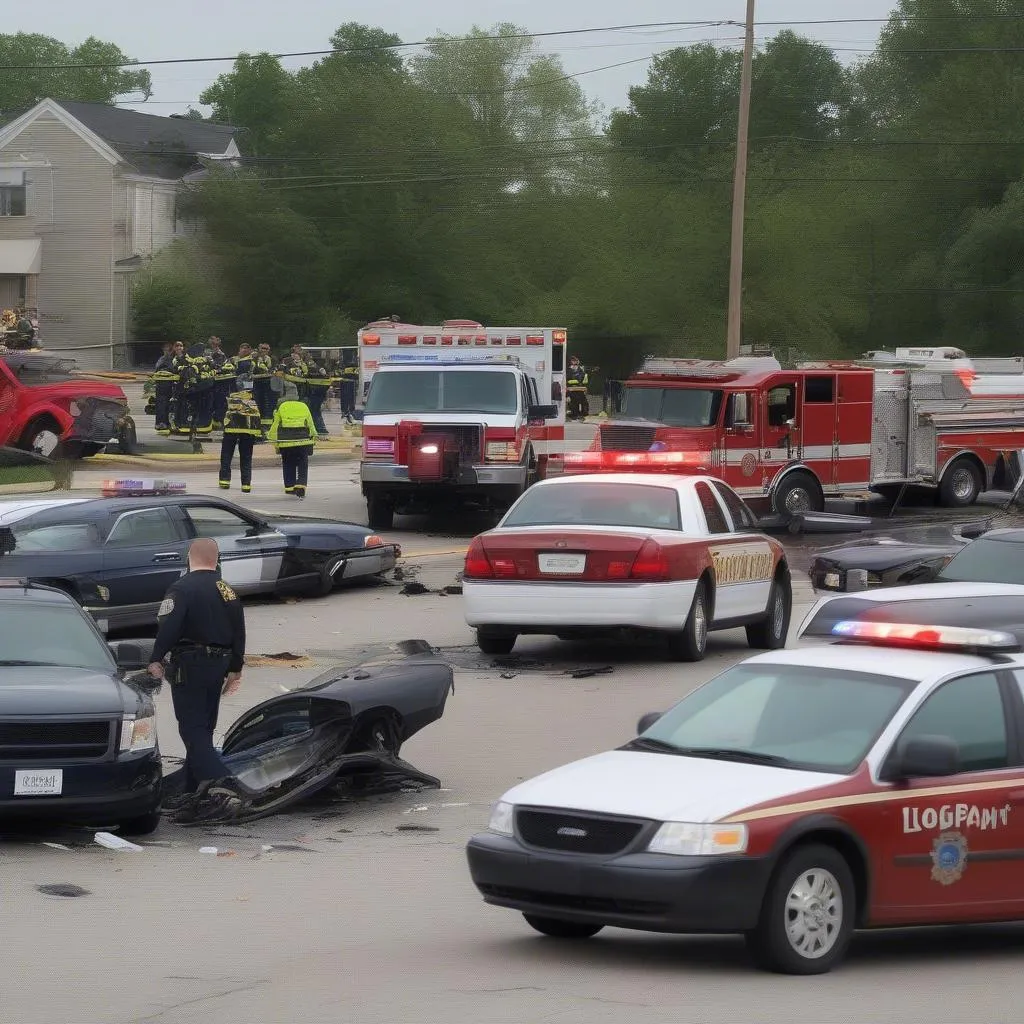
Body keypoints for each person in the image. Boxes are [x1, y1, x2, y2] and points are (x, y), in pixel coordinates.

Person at [147, 538, 249, 822]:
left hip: (190, 663)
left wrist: (156, 657)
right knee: (204, 726)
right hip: (219, 664)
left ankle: (223, 782)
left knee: (192, 728)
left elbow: (169, 627)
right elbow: (239, 630)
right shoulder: (227, 590)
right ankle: (193, 792)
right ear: (217, 559)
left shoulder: (182, 588)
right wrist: (236, 668)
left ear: (189, 558)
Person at [218, 359, 263, 492]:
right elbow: (259, 403)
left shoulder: (230, 382)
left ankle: (224, 481)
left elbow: (222, 403)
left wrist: (222, 419)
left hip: (232, 423)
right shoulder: (255, 384)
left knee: (227, 453)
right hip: (249, 425)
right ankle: (246, 484)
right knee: (246, 455)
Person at [267, 382, 317, 497]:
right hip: (303, 441)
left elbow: (275, 426)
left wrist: (274, 442)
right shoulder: (303, 406)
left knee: (288, 463)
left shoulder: (281, 407)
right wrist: (314, 438)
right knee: (302, 463)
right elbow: (310, 424)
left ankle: (289, 486)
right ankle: (301, 484)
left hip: (286, 442)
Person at [151, 341, 183, 434]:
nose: (178, 348)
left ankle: (165, 422)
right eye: (176, 346)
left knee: (166, 403)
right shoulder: (165, 359)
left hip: (169, 384)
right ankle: (162, 423)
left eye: (180, 346)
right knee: (163, 403)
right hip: (164, 384)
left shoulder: (173, 358)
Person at [303, 359, 332, 438]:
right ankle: (320, 429)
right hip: (318, 394)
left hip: (316, 394)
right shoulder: (322, 371)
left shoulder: (317, 371)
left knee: (315, 411)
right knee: (316, 411)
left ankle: (320, 429)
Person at [252, 344, 276, 428]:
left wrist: (268, 370)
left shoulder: (273, 359)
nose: (264, 350)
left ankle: (268, 424)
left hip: (269, 383)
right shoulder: (254, 358)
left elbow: (275, 369)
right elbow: (251, 370)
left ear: (269, 350)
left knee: (269, 403)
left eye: (266, 349)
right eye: (262, 348)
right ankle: (258, 423)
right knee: (258, 402)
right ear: (259, 349)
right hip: (257, 382)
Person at [566, 355, 589, 421]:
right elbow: (567, 379)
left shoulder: (580, 369)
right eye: (573, 361)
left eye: (575, 361)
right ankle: (575, 414)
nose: (575, 362)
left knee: (584, 402)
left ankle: (584, 414)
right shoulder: (569, 370)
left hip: (580, 388)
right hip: (572, 389)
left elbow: (582, 377)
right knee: (574, 402)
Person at [338, 357, 358, 424]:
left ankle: (346, 413)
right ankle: (349, 414)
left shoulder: (344, 368)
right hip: (349, 384)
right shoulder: (354, 367)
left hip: (345, 384)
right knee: (350, 399)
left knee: (346, 399)